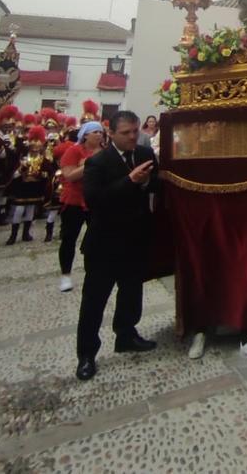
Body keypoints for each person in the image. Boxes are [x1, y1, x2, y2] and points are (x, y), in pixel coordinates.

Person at [75, 110, 158, 381]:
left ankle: (126, 334)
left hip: (136, 238)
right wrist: (130, 181)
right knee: (94, 301)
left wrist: (146, 184)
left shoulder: (145, 154)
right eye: (126, 133)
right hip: (105, 243)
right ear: (111, 133)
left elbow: (156, 184)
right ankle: (87, 354)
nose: (133, 136)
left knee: (131, 292)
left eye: (136, 131)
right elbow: (95, 199)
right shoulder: (98, 162)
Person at [57, 121, 101, 292]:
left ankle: (93, 272)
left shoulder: (105, 152)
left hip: (96, 201)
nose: (99, 134)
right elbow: (69, 175)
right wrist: (89, 164)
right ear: (85, 135)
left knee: (96, 238)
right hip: (74, 201)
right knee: (69, 239)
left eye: (100, 132)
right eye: (94, 132)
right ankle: (65, 275)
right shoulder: (73, 151)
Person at [7, 126, 56, 245]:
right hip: (22, 187)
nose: (35, 149)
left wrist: (42, 174)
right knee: (19, 210)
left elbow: (49, 174)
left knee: (30, 210)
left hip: (35, 187)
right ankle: (13, 235)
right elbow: (14, 175)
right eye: (33, 147)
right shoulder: (22, 159)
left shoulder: (43, 160)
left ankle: (26, 233)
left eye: (37, 148)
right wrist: (21, 170)